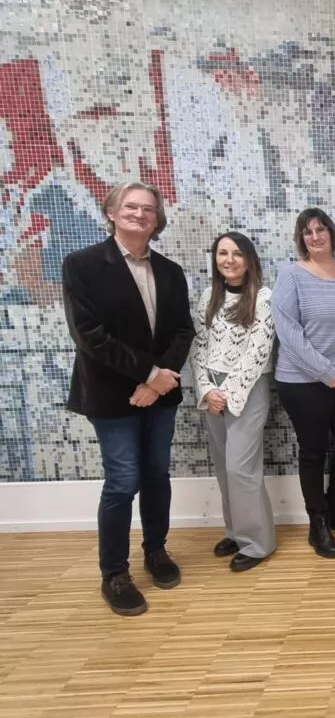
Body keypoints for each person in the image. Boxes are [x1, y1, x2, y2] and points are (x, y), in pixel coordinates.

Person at [62, 181, 195, 616]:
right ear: (112, 212)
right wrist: (149, 375)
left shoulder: (170, 271)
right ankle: (114, 573)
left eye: (149, 209)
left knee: (157, 475)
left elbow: (183, 331)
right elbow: (89, 335)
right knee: (122, 482)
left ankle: (156, 551)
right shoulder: (82, 265)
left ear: (157, 220)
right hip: (111, 393)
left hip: (160, 394)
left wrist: (158, 382)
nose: (140, 214)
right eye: (131, 207)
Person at [272, 208, 335, 559]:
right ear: (301, 239)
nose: (315, 236)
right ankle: (317, 523)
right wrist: (326, 372)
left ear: (332, 234)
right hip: (303, 381)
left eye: (321, 229)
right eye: (307, 232)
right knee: (313, 451)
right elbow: (289, 333)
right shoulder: (291, 275)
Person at [190, 232, 276, 572]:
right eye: (222, 253)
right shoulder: (208, 296)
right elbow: (198, 346)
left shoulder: (263, 298)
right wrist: (206, 390)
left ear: (249, 259)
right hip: (211, 391)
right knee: (224, 468)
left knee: (241, 468)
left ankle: (257, 543)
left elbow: (258, 352)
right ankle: (235, 532)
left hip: (247, 390)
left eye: (237, 253)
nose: (229, 260)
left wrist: (227, 393)